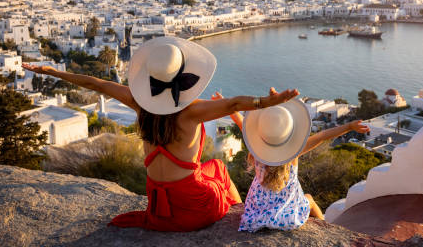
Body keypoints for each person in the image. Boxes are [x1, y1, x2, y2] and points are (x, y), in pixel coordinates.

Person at [23, 36, 298, 232]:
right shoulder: (191, 111)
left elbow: (96, 84)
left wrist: (50, 71)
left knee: (210, 168)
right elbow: (234, 104)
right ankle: (241, 221)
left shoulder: (138, 102)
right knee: (218, 169)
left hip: (159, 211)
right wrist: (266, 102)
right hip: (194, 210)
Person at [211, 91, 370, 232]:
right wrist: (349, 126)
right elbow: (323, 136)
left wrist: (222, 102)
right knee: (309, 199)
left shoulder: (257, 150)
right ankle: (326, 228)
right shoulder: (293, 153)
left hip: (257, 213)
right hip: (287, 216)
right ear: (288, 133)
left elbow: (239, 120)